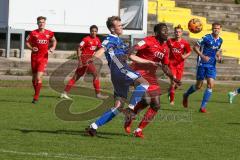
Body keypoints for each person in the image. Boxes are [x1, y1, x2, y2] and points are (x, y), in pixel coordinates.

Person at [85, 16, 155, 136]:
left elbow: (131, 56)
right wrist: (92, 58)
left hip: (117, 74)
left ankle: (93, 127)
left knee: (118, 106)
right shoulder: (109, 39)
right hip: (121, 69)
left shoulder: (120, 42)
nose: (122, 27)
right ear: (112, 29)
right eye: (119, 26)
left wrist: (149, 62)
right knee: (144, 83)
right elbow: (102, 49)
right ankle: (131, 109)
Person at [123, 23, 181, 138]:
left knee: (156, 105)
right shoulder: (148, 40)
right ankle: (130, 113)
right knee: (146, 99)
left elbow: (165, 66)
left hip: (151, 76)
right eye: (163, 31)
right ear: (156, 33)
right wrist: (129, 52)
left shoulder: (165, 48)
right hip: (138, 72)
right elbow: (134, 48)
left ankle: (138, 130)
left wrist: (173, 78)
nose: (166, 33)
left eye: (167, 30)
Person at [182, 22, 223, 113]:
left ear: (220, 29)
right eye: (214, 28)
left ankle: (202, 107)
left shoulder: (220, 40)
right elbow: (195, 47)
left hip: (212, 65)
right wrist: (202, 56)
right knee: (198, 86)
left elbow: (217, 51)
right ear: (212, 29)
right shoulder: (206, 38)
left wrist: (219, 56)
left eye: (217, 28)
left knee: (210, 85)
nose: (216, 30)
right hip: (202, 64)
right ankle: (186, 95)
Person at [60, 25, 108, 99]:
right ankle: (98, 94)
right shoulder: (86, 39)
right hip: (85, 60)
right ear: (90, 31)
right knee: (95, 74)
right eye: (92, 31)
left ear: (97, 32)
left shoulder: (97, 39)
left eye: (95, 31)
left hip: (89, 60)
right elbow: (79, 48)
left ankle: (64, 93)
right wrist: (79, 60)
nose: (94, 32)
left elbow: (100, 48)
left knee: (76, 77)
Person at [26, 16, 57, 104]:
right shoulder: (33, 33)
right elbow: (27, 42)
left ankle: (36, 97)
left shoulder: (49, 33)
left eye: (43, 22)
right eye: (40, 22)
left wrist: (53, 47)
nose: (41, 23)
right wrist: (31, 48)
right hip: (34, 58)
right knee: (34, 78)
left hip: (43, 58)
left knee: (39, 77)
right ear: (37, 23)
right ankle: (36, 94)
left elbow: (54, 41)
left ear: (45, 23)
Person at [167, 25, 191, 105]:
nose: (177, 33)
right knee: (173, 82)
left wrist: (184, 56)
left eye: (179, 32)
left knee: (176, 84)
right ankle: (172, 101)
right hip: (171, 64)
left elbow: (189, 52)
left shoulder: (185, 43)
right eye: (176, 32)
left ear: (182, 33)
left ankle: (170, 91)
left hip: (180, 65)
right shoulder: (170, 41)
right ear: (174, 32)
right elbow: (165, 49)